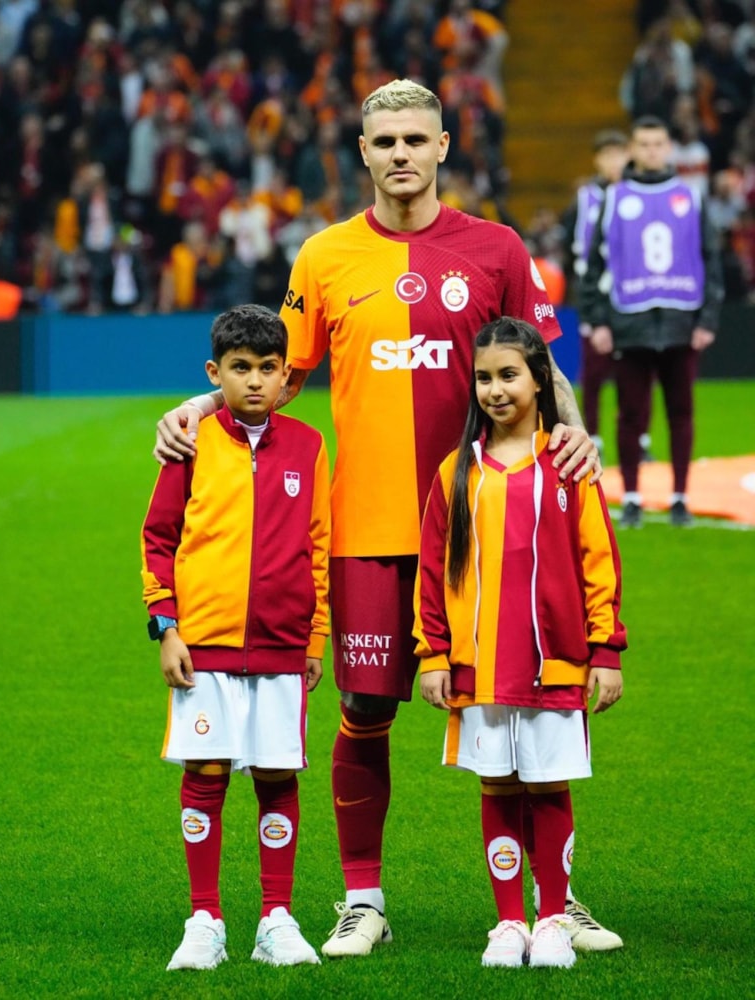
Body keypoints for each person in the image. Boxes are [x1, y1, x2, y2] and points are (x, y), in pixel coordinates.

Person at [153, 79, 616, 957]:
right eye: (385, 141)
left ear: (443, 147)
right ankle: (363, 900)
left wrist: (578, 432)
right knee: (365, 709)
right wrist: (195, 406)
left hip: (489, 530)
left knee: (529, 708)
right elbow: (274, 372)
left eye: (415, 139)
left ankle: (554, 902)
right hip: (367, 530)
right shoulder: (324, 257)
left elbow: (540, 365)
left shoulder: (498, 248)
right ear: (362, 153)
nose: (401, 153)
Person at [414, 316, 626, 969]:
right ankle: (509, 922)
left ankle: (554, 918)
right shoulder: (457, 471)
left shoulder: (569, 466)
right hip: (479, 668)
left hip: (554, 664)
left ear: (539, 380)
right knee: (499, 788)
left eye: (509, 375)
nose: (496, 389)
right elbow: (432, 570)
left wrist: (606, 650)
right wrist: (433, 654)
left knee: (549, 787)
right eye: (484, 378)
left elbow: (599, 560)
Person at [141, 304, 331, 970]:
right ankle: (205, 919)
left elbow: (319, 545)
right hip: (204, 645)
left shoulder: (309, 445)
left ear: (286, 375)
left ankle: (276, 918)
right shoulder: (190, 441)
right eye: (240, 368)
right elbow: (158, 538)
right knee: (207, 773)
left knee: (277, 775)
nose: (255, 381)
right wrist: (166, 627)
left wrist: (315, 639)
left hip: (281, 644)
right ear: (213, 372)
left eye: (268, 368)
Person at [580, 115, 724, 527]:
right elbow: (592, 266)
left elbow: (711, 259)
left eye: (658, 144)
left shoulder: (691, 196)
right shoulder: (614, 197)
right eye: (644, 144)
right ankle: (631, 498)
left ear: (669, 148)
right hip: (630, 323)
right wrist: (598, 321)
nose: (652, 151)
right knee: (630, 414)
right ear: (633, 150)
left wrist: (707, 320)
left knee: (681, 411)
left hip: (681, 323)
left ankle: (680, 498)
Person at [562, 128, 645, 462]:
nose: (613, 162)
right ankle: (592, 437)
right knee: (594, 373)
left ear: (628, 156)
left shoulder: (638, 195)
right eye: (606, 155)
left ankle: (639, 438)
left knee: (637, 372)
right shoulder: (584, 199)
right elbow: (571, 249)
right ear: (597, 160)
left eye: (618, 154)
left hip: (633, 296)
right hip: (596, 295)